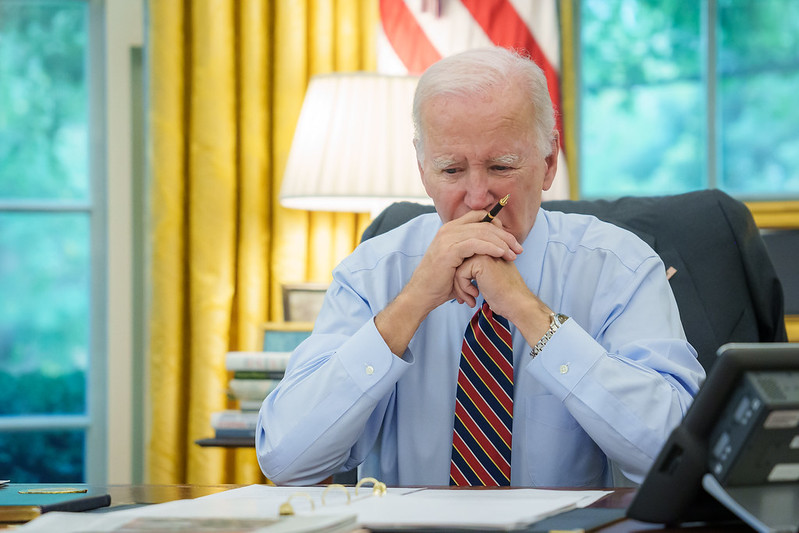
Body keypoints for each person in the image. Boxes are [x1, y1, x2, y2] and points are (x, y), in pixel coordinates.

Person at [256, 46, 705, 487]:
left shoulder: (619, 268)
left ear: (548, 163)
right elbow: (286, 459)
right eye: (451, 170)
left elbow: (678, 457)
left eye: (501, 166)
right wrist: (410, 305)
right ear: (422, 169)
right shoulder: (372, 273)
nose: (476, 198)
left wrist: (530, 314)